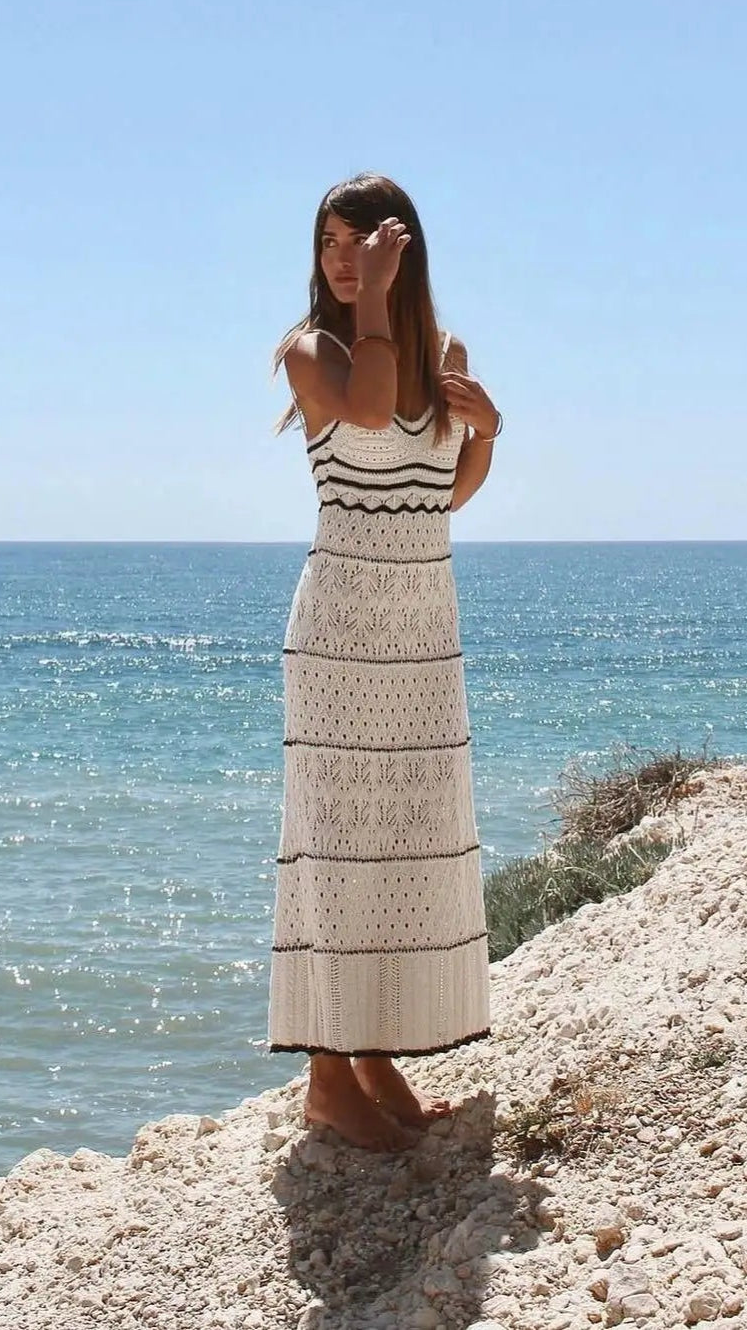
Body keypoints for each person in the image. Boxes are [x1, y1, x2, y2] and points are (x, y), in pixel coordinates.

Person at [267, 172, 503, 1152]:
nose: (340, 260)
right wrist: (366, 298)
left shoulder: (435, 353)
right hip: (345, 631)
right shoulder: (312, 349)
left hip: (420, 627)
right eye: (329, 245)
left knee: (406, 844)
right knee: (341, 851)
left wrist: (486, 426)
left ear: (402, 253)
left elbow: (440, 491)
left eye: (359, 245)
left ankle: (372, 1059)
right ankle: (328, 1078)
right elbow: (366, 420)